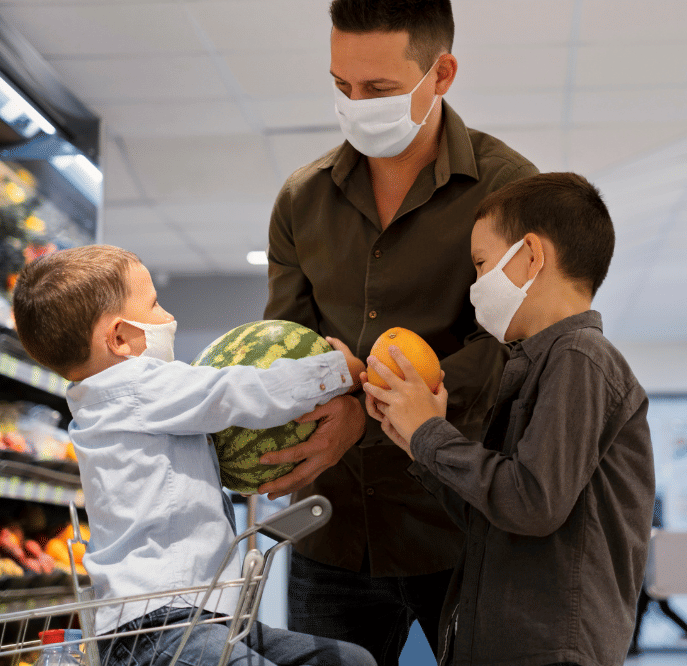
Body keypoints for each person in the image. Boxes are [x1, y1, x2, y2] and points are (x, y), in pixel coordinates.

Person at [261, 0, 538, 663]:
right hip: (328, 529)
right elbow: (285, 347)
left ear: (441, 73)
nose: (356, 105)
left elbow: (518, 351)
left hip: (461, 526)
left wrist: (373, 408)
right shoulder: (303, 200)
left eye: (379, 89)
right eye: (342, 87)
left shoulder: (511, 193)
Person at [11, 245, 375, 666]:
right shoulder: (135, 388)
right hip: (157, 628)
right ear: (119, 338)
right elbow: (237, 390)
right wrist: (335, 371)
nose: (169, 317)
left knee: (350, 661)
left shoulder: (106, 404)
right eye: (153, 304)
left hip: (197, 617)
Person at [362, 172, 656, 665]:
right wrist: (416, 441)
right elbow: (491, 517)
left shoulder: (580, 357)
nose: (477, 285)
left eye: (481, 265)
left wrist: (430, 434)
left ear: (532, 256)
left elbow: (532, 503)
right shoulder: (537, 364)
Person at [630, 495, 687, 657]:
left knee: (654, 610)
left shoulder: (654, 530)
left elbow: (653, 558)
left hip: (653, 579)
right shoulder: (656, 528)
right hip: (654, 578)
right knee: (651, 610)